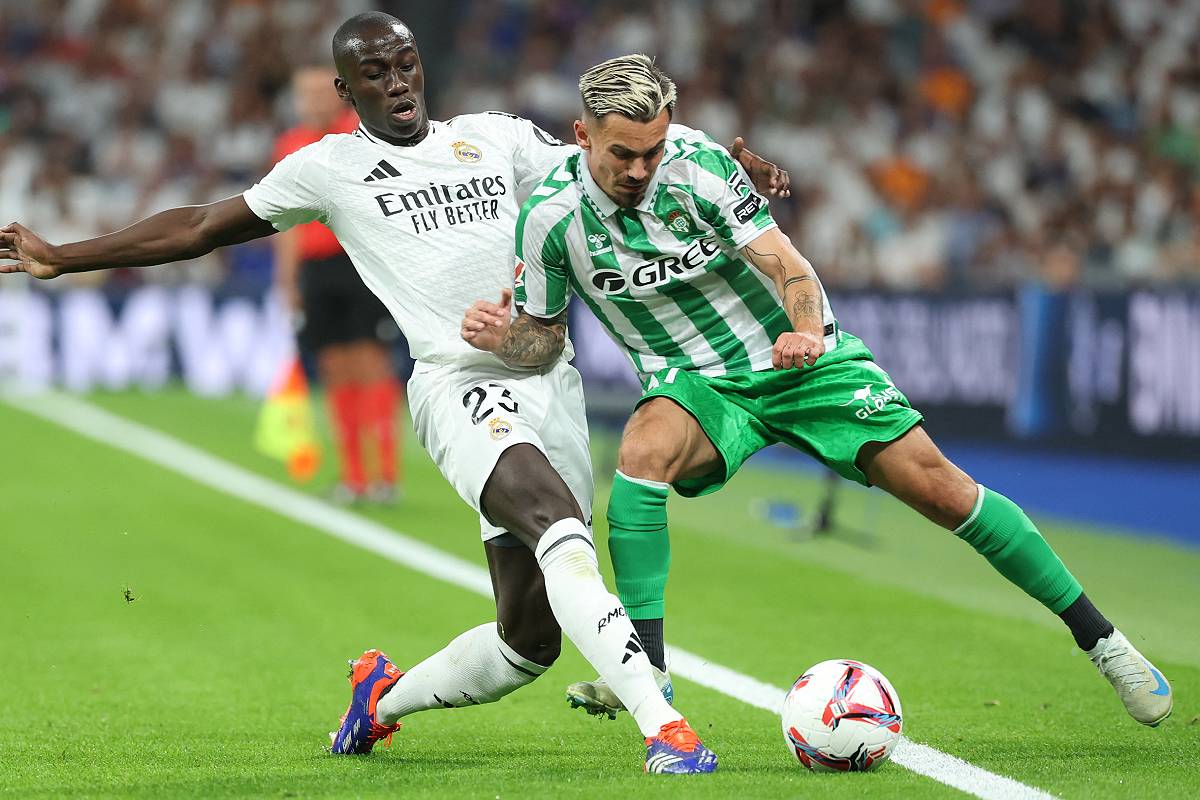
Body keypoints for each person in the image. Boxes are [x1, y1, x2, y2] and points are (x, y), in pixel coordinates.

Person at [1, 14, 790, 774]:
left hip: (550, 381)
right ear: (349, 90)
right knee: (559, 530)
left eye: (405, 64)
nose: (397, 82)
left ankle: (379, 702)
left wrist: (721, 171)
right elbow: (204, 223)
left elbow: (615, 168)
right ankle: (668, 729)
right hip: (460, 388)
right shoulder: (328, 168)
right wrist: (64, 256)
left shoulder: (499, 138)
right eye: (374, 73)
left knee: (528, 645)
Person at [462, 54, 1173, 729]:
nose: (641, 168)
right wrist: (505, 338)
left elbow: (789, 267)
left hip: (800, 362)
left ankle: (1105, 643)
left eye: (653, 148)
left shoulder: (701, 167)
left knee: (945, 491)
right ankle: (649, 668)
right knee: (641, 454)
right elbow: (543, 340)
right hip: (698, 387)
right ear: (583, 134)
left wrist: (804, 332)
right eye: (623, 154)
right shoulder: (551, 219)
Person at [273, 63, 403, 504]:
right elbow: (284, 221)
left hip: (359, 262)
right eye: (302, 94)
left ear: (339, 94)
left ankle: (385, 475)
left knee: (371, 365)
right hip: (317, 270)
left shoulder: (363, 137)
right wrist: (288, 281)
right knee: (334, 371)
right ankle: (355, 477)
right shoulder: (291, 145)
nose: (309, 102)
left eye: (317, 93)